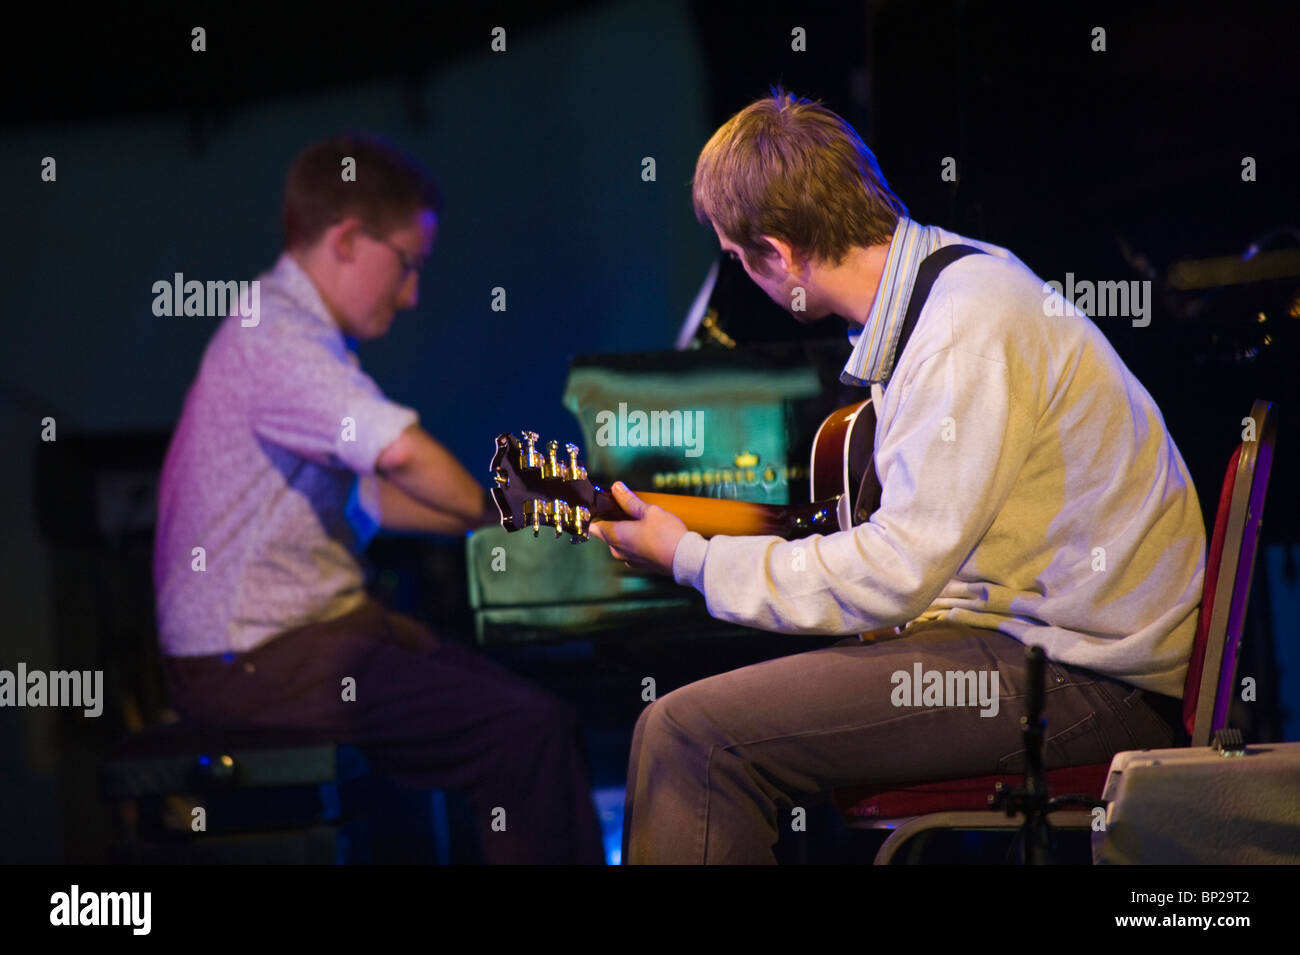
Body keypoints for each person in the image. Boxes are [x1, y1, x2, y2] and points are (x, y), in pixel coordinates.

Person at [590, 90, 1206, 864]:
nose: (746, 275)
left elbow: (897, 567)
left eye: (740, 257)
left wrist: (690, 557)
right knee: (717, 710)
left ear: (779, 254)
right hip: (1038, 648)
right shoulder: (949, 284)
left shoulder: (962, 328)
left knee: (689, 736)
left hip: (1088, 683)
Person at [153, 132, 604, 864]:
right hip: (251, 659)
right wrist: (495, 505)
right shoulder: (277, 336)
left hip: (300, 638)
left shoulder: (289, 332)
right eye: (408, 263)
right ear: (348, 239)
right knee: (522, 730)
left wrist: (519, 510)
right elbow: (401, 454)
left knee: (536, 714)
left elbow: (379, 498)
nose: (413, 292)